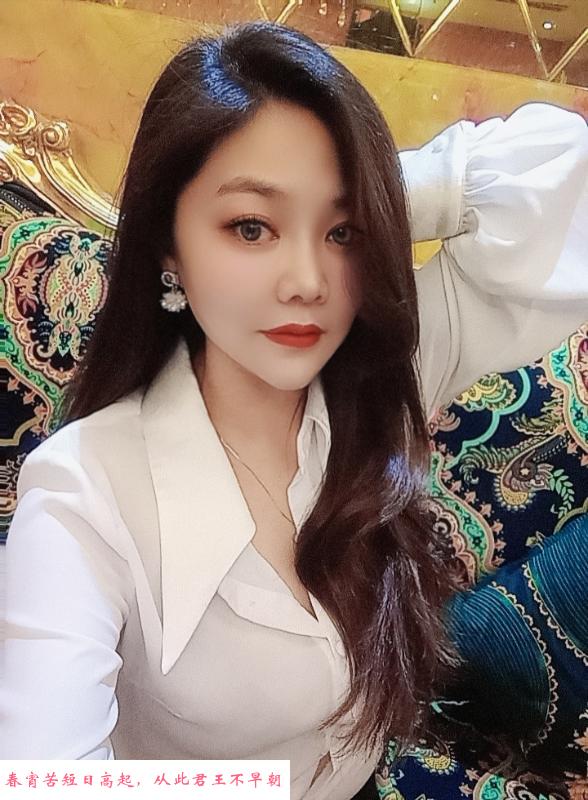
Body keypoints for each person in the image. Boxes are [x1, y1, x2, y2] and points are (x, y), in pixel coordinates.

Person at [1, 20, 587, 800]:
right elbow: (46, 784)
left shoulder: (379, 377)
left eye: (340, 233)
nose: (308, 281)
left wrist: (369, 195)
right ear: (168, 243)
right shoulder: (83, 496)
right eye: (252, 227)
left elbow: (568, 180)